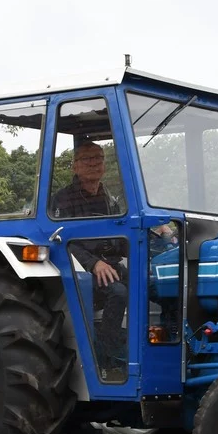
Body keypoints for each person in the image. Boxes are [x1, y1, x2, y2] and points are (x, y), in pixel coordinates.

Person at [51, 141, 128, 378]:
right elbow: (61, 240)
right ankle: (108, 357)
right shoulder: (63, 200)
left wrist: (158, 233)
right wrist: (93, 264)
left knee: (152, 283)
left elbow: (122, 236)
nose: (94, 163)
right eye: (87, 159)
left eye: (99, 158)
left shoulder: (109, 199)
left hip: (112, 264)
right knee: (118, 292)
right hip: (79, 271)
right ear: (75, 166)